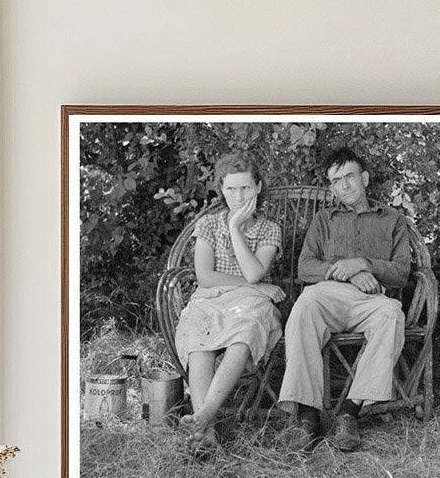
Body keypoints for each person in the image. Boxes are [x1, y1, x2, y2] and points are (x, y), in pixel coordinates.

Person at [279, 147, 410, 452]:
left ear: (364, 178)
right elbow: (305, 267)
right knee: (304, 307)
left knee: (392, 315)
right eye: (337, 181)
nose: (345, 185)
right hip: (328, 295)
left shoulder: (392, 219)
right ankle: (308, 417)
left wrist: (365, 263)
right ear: (332, 187)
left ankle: (349, 412)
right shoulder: (325, 219)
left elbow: (402, 272)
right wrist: (347, 272)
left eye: (350, 176)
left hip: (372, 298)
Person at [173, 152, 284, 451]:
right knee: (199, 337)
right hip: (210, 298)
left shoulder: (269, 229)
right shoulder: (208, 224)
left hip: (249, 302)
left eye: (246, 188)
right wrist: (262, 287)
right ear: (221, 189)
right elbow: (205, 276)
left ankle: (204, 416)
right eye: (231, 189)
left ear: (258, 187)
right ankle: (206, 434)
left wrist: (235, 228)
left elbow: (253, 273)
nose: (238, 196)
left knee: (244, 334)